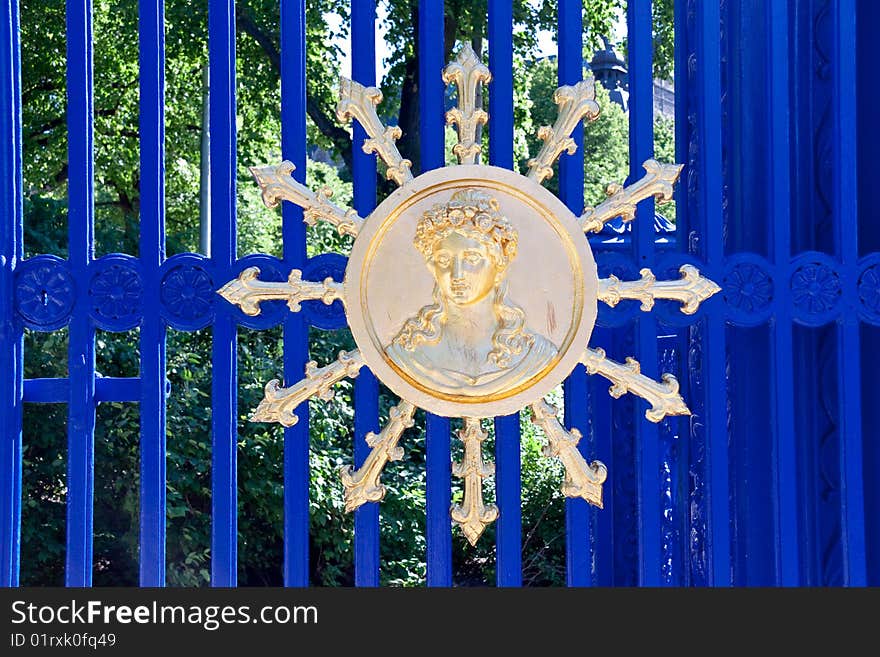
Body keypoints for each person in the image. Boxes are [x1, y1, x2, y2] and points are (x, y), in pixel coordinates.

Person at [385, 188, 557, 397]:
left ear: (499, 265)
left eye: (472, 259)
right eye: (444, 260)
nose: (457, 274)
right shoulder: (410, 353)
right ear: (432, 268)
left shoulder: (535, 355)